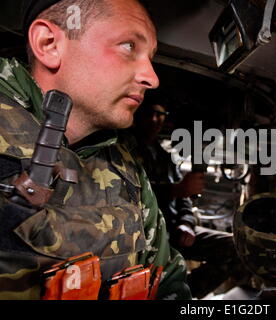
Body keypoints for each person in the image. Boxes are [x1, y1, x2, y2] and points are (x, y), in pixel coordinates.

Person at [0, 0, 191, 299]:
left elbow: (167, 280)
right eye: (128, 47)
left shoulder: (125, 165)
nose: (151, 78)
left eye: (151, 57)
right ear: (49, 44)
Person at [132, 102, 247, 299]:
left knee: (238, 247)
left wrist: (186, 223)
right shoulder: (125, 150)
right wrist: (174, 190)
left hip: (174, 230)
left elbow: (184, 199)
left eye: (160, 115)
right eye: (150, 113)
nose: (154, 120)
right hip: (143, 235)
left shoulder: (163, 156)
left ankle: (185, 296)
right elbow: (129, 194)